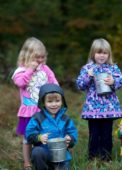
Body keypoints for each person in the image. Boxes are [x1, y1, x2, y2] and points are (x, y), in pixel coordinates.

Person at [12, 37, 58, 170]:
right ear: (27, 55)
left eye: (42, 57)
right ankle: (27, 163)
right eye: (37, 57)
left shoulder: (45, 69)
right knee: (28, 138)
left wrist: (55, 93)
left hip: (44, 111)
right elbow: (20, 83)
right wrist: (30, 70)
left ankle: (44, 159)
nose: (40, 61)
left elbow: (54, 82)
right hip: (29, 111)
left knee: (46, 136)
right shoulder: (20, 71)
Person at [76, 38, 122, 162]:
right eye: (99, 52)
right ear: (93, 53)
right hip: (93, 108)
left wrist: (113, 81)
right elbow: (80, 85)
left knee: (106, 134)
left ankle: (106, 158)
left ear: (109, 54)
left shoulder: (113, 68)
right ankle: (92, 158)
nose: (102, 56)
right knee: (94, 134)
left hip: (109, 107)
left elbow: (121, 81)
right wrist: (89, 76)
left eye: (105, 53)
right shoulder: (88, 68)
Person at [25, 83, 78, 170]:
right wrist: (39, 137)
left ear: (62, 101)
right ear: (43, 102)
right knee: (37, 152)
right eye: (50, 101)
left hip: (61, 156)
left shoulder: (65, 119)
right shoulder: (38, 118)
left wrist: (70, 139)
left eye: (57, 101)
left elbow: (73, 132)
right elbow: (29, 133)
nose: (54, 104)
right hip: (44, 153)